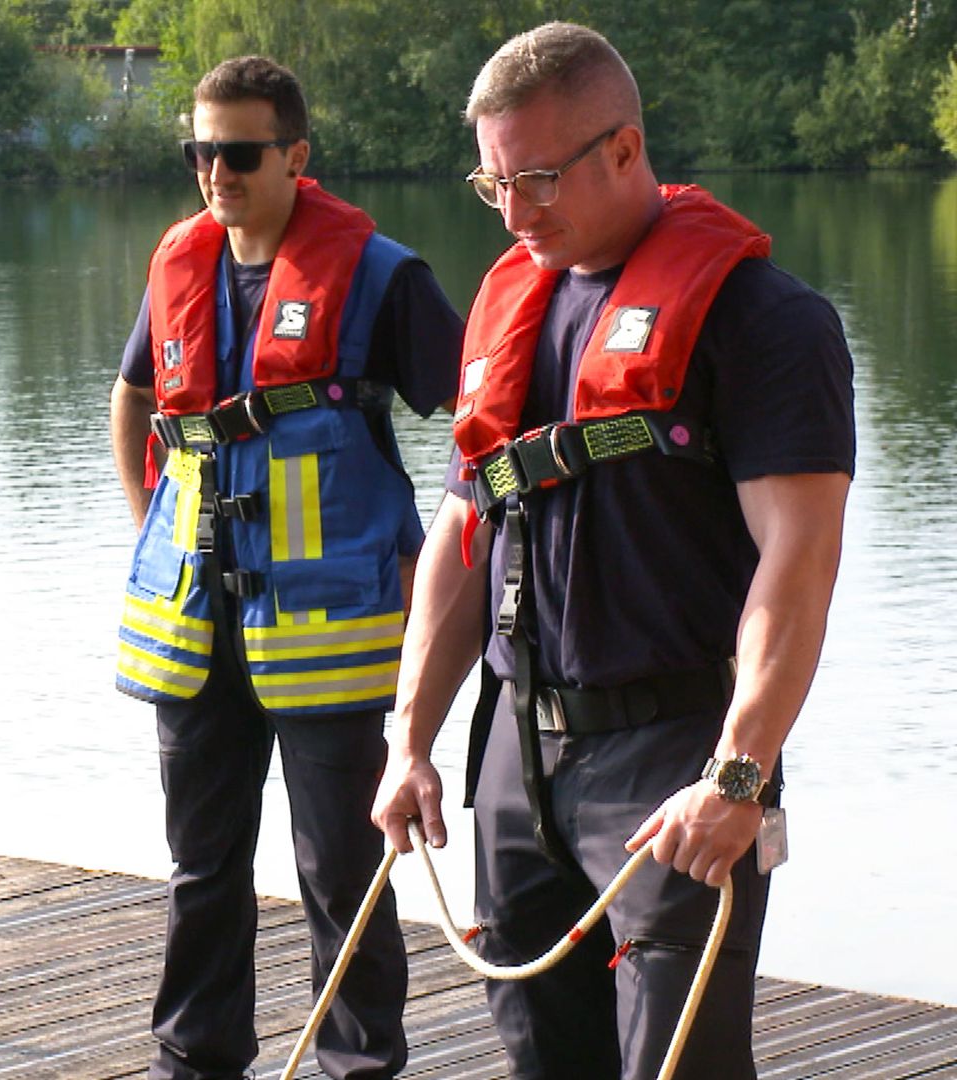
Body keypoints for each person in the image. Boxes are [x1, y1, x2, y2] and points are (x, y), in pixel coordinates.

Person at [370, 22, 853, 1079]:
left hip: (672, 755)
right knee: (541, 1060)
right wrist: (411, 740)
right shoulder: (509, 305)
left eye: (538, 178)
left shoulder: (766, 321)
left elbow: (800, 562)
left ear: (625, 149)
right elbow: (463, 528)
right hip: (517, 754)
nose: (513, 211)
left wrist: (741, 774)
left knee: (682, 1066)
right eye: (492, 183)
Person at [109, 55, 464, 1080]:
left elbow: (481, 425)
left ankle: (357, 1066)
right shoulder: (180, 263)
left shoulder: (380, 275)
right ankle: (193, 1061)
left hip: (331, 627)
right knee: (199, 872)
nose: (215, 172)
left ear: (297, 154)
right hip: (195, 626)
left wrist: (438, 544)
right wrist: (153, 525)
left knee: (341, 872)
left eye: (238, 152)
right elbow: (134, 399)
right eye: (198, 152)